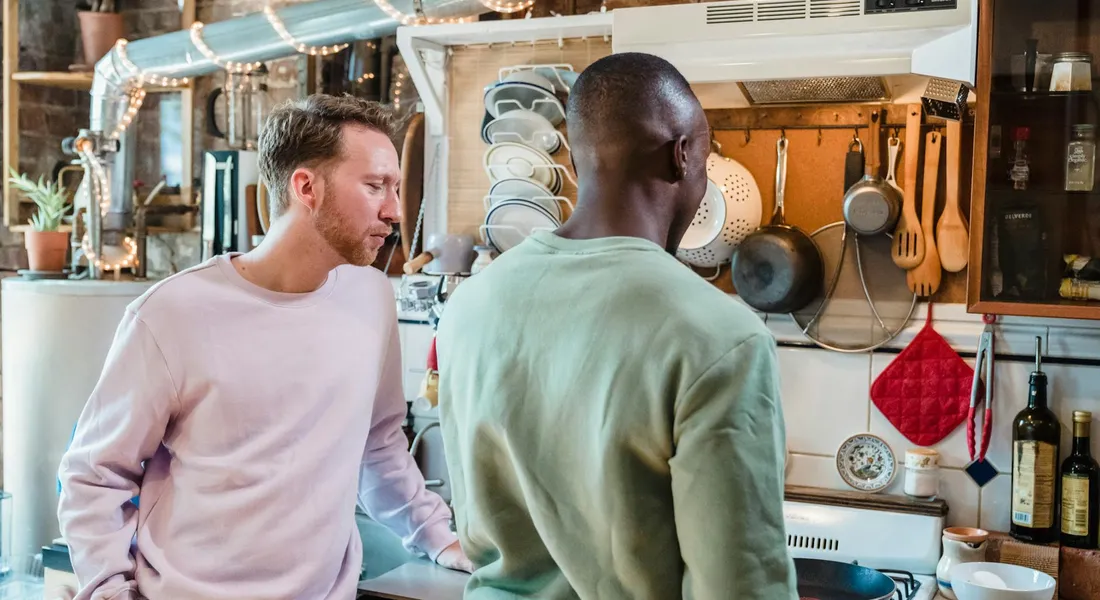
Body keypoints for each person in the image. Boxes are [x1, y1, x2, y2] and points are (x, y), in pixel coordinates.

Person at [58, 94, 471, 600]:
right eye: (374, 186)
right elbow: (94, 475)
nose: (395, 210)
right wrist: (108, 591)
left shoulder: (372, 295)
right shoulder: (171, 313)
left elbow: (378, 444)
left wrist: (440, 537)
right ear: (306, 188)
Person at [435, 53, 797, 599]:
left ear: (578, 164)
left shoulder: (469, 306)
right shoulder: (721, 337)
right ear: (681, 157)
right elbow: (738, 585)